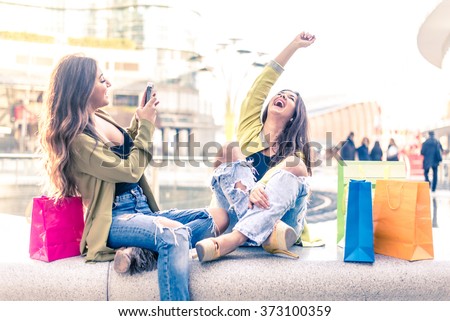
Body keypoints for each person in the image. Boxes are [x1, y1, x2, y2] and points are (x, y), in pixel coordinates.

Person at [38, 54, 229, 301]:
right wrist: (148, 126)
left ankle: (142, 251)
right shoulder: (78, 140)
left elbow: (125, 144)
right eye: (102, 79)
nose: (109, 84)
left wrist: (139, 119)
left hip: (142, 209)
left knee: (216, 217)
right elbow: (129, 169)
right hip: (114, 218)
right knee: (174, 234)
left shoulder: (100, 118)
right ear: (82, 87)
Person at [195, 31, 316, 263]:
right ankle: (261, 234)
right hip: (253, 220)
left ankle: (235, 239)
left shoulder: (295, 150)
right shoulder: (250, 130)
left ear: (293, 116)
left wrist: (259, 186)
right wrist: (293, 45)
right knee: (230, 149)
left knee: (296, 166)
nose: (282, 95)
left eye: (290, 98)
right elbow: (262, 84)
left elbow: (298, 172)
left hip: (284, 222)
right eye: (280, 93)